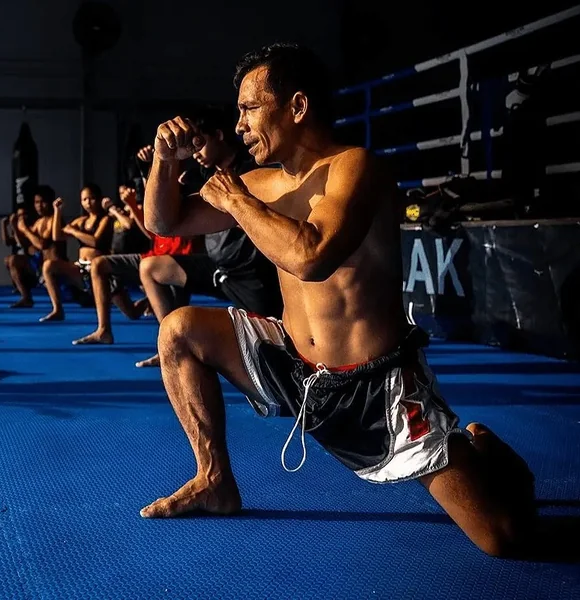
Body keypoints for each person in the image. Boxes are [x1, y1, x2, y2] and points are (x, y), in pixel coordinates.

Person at [139, 43, 536, 559]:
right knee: (178, 330)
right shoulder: (261, 181)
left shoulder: (354, 168)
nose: (238, 125)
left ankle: (486, 452)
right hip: (295, 364)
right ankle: (214, 480)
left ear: (297, 107)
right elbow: (163, 222)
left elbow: (312, 258)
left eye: (249, 108)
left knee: (504, 540)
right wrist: (165, 163)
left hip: (376, 386)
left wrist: (236, 200)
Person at [134, 108, 282, 367]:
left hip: (250, 274)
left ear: (218, 136)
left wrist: (242, 209)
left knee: (275, 349)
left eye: (201, 143)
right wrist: (161, 161)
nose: (197, 152)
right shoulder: (200, 176)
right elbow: (161, 219)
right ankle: (170, 346)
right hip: (215, 267)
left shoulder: (253, 171)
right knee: (151, 267)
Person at [72, 174, 197, 346]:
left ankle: (171, 347)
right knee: (99, 265)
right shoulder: (156, 206)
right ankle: (103, 330)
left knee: (174, 321)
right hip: (149, 258)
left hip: (175, 263)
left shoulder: (188, 204)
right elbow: (151, 232)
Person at [38, 184, 113, 322]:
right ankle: (57, 309)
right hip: (80, 269)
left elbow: (95, 241)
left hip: (98, 269)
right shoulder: (81, 221)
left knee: (131, 311)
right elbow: (57, 236)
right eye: (84, 199)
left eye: (92, 198)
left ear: (99, 199)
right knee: (48, 266)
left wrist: (74, 231)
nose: (88, 203)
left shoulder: (105, 219)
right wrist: (57, 212)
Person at [5, 186, 60, 308]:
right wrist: (15, 227)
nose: (39, 206)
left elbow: (42, 244)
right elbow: (24, 244)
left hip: (55, 267)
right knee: (12, 260)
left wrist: (25, 229)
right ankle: (26, 297)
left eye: (42, 202)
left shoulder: (54, 220)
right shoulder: (39, 222)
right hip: (40, 267)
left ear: (51, 202)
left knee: (81, 299)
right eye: (36, 202)